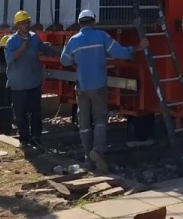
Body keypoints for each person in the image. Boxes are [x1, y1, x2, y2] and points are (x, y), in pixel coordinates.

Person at [60, 9, 148, 172]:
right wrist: (137, 47)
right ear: (94, 21)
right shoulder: (101, 36)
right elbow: (120, 53)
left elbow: (64, 61)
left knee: (84, 123)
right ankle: (98, 151)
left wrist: (72, 53)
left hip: (82, 87)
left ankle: (88, 157)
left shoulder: (73, 40)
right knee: (100, 119)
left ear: (80, 23)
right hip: (99, 86)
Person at [5, 10, 56, 150]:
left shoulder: (35, 38)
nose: (27, 25)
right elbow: (9, 59)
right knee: (21, 114)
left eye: (28, 22)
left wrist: (56, 49)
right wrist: (22, 49)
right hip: (18, 85)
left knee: (36, 112)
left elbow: (44, 49)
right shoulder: (12, 41)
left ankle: (36, 138)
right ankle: (24, 139)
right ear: (17, 25)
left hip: (34, 82)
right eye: (24, 23)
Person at [0, 34, 13, 136]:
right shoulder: (7, 54)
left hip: (0, 80)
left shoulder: (0, 53)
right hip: (7, 79)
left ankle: (0, 127)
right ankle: (7, 128)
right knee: (7, 103)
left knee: (0, 103)